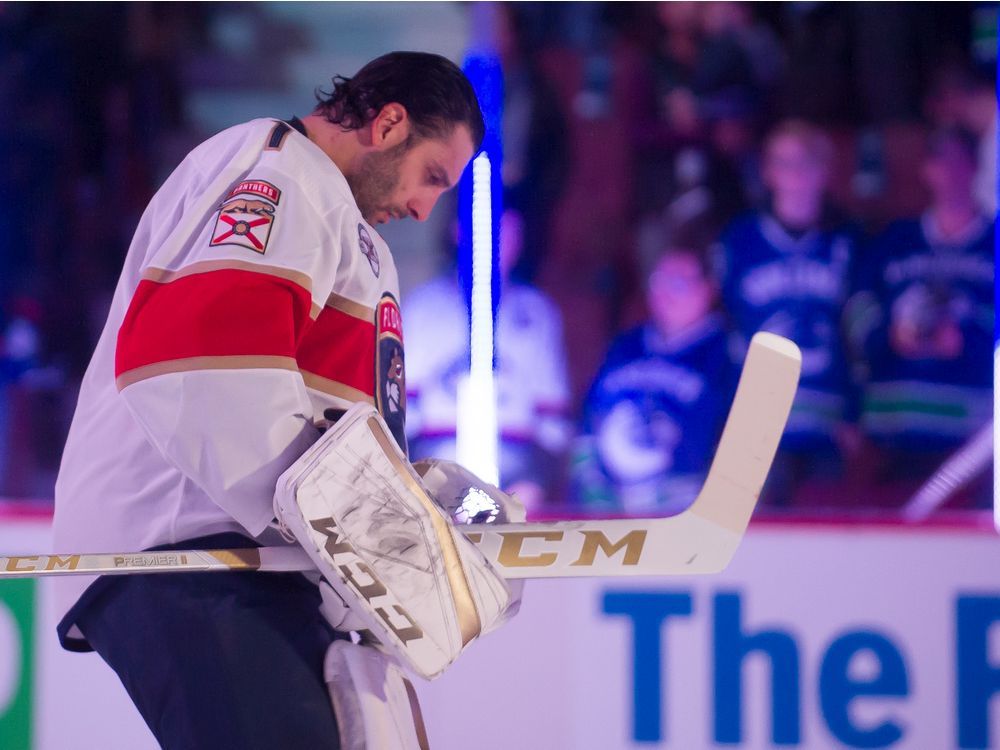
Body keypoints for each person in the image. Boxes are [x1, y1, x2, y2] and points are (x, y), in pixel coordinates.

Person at [52, 52, 485, 749]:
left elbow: (333, 427)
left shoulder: (345, 224)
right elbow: (194, 367)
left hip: (254, 557)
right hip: (183, 550)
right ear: (389, 123)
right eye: (433, 175)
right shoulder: (283, 174)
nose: (425, 206)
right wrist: (363, 532)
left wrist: (409, 505)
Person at [845, 127, 994, 507]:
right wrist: (889, 335)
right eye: (939, 160)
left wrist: (970, 342)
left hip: (971, 441)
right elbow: (857, 307)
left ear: (975, 167)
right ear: (926, 170)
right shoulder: (896, 239)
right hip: (891, 435)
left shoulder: (993, 240)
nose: (949, 172)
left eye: (958, 160)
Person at [714, 120, 859, 507]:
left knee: (825, 546)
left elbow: (857, 336)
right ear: (768, 171)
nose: (795, 172)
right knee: (755, 541)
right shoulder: (738, 240)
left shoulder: (847, 242)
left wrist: (854, 412)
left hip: (825, 421)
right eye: (784, 161)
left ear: (824, 170)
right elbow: (726, 329)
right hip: (756, 422)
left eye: (806, 161)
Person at [404, 208, 571, 514]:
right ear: (459, 232)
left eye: (508, 233)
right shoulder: (422, 307)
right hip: (436, 472)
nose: (497, 244)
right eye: (489, 231)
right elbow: (402, 415)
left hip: (515, 472)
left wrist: (534, 483)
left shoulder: (536, 312)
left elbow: (553, 423)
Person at [573, 240, 733, 515]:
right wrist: (593, 490)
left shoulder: (729, 354)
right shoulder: (626, 347)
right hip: (613, 517)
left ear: (708, 289)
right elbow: (589, 424)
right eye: (659, 281)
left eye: (679, 283)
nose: (665, 293)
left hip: (685, 520)